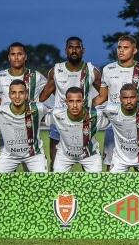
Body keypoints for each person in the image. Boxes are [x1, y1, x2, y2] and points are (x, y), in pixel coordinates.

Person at [94, 35, 139, 170]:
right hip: (114, 125)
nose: (121, 50)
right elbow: (101, 97)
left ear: (134, 50)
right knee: (111, 166)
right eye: (119, 47)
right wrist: (84, 108)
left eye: (126, 48)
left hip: (137, 123)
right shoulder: (108, 69)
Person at [39, 37, 101, 171]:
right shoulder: (56, 70)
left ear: (82, 50)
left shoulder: (92, 70)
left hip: (83, 121)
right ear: (66, 50)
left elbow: (104, 91)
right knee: (55, 164)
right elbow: (43, 96)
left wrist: (94, 105)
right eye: (71, 47)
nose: (74, 50)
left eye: (77, 47)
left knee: (87, 160)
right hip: (60, 122)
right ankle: (59, 192)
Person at [0, 80, 49, 174]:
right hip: (9, 156)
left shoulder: (39, 108)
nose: (17, 96)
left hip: (34, 155)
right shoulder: (0, 111)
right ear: (9, 95)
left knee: (42, 182)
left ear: (26, 95)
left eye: (21, 93)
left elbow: (56, 115)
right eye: (13, 93)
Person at [46, 87, 108, 173]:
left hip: (90, 156)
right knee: (58, 183)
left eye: (78, 101)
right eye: (71, 101)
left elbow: (113, 115)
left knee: (95, 183)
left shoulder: (96, 115)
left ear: (83, 102)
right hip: (64, 156)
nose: (75, 105)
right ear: (66, 102)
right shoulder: (56, 114)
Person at [100, 84, 139, 173]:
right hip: (120, 159)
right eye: (125, 98)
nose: (129, 101)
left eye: (132, 97)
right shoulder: (110, 110)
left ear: (137, 97)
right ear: (120, 98)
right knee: (111, 185)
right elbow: (92, 114)